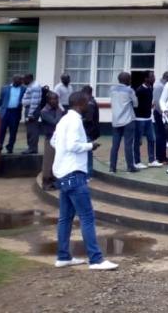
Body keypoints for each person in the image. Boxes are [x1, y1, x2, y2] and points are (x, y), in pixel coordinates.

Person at [51, 91, 118, 270]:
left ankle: (63, 256)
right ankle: (96, 259)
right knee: (87, 217)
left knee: (65, 218)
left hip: (63, 173)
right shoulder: (74, 121)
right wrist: (90, 145)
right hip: (74, 173)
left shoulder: (63, 119)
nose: (90, 105)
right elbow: (72, 145)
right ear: (80, 103)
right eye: (88, 102)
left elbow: (53, 142)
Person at [109, 72, 138, 173]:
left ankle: (112, 167)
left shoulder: (112, 89)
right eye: (129, 79)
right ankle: (130, 167)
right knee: (128, 145)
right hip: (128, 120)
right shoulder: (129, 90)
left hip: (116, 120)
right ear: (126, 80)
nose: (130, 81)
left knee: (115, 145)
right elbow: (135, 104)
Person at [39, 91, 64, 190]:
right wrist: (60, 111)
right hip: (50, 138)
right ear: (48, 100)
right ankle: (46, 182)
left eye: (57, 99)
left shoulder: (57, 109)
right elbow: (55, 122)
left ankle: (53, 181)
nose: (55, 101)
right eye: (53, 99)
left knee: (55, 160)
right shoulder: (44, 111)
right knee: (48, 161)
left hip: (58, 138)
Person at [133, 70, 157, 169]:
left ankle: (151, 160)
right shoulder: (140, 90)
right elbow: (135, 104)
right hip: (139, 119)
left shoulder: (150, 88)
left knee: (152, 139)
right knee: (138, 141)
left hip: (148, 118)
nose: (154, 78)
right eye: (152, 76)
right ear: (146, 79)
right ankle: (137, 161)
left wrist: (150, 106)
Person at [0, 75, 26, 154]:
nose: (21, 82)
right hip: (5, 112)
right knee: (2, 130)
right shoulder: (5, 88)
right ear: (13, 80)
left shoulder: (24, 89)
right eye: (19, 80)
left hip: (15, 112)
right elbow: (0, 100)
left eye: (21, 80)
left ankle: (10, 147)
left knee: (13, 131)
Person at [152, 71, 168, 165]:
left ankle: (163, 156)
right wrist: (163, 114)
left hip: (162, 114)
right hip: (159, 114)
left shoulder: (164, 86)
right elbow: (157, 102)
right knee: (160, 136)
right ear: (167, 78)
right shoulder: (159, 86)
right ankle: (160, 157)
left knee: (163, 136)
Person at [21, 73, 43, 154]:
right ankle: (31, 147)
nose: (23, 81)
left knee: (32, 130)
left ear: (29, 78)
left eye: (24, 79)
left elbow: (34, 101)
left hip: (32, 110)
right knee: (30, 129)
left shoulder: (35, 86)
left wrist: (30, 114)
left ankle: (32, 149)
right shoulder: (31, 85)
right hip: (30, 109)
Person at [81, 86, 100, 178]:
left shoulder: (90, 104)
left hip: (88, 130)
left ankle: (88, 174)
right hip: (91, 130)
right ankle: (88, 173)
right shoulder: (92, 101)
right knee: (88, 152)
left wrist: (79, 120)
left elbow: (88, 118)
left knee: (88, 153)